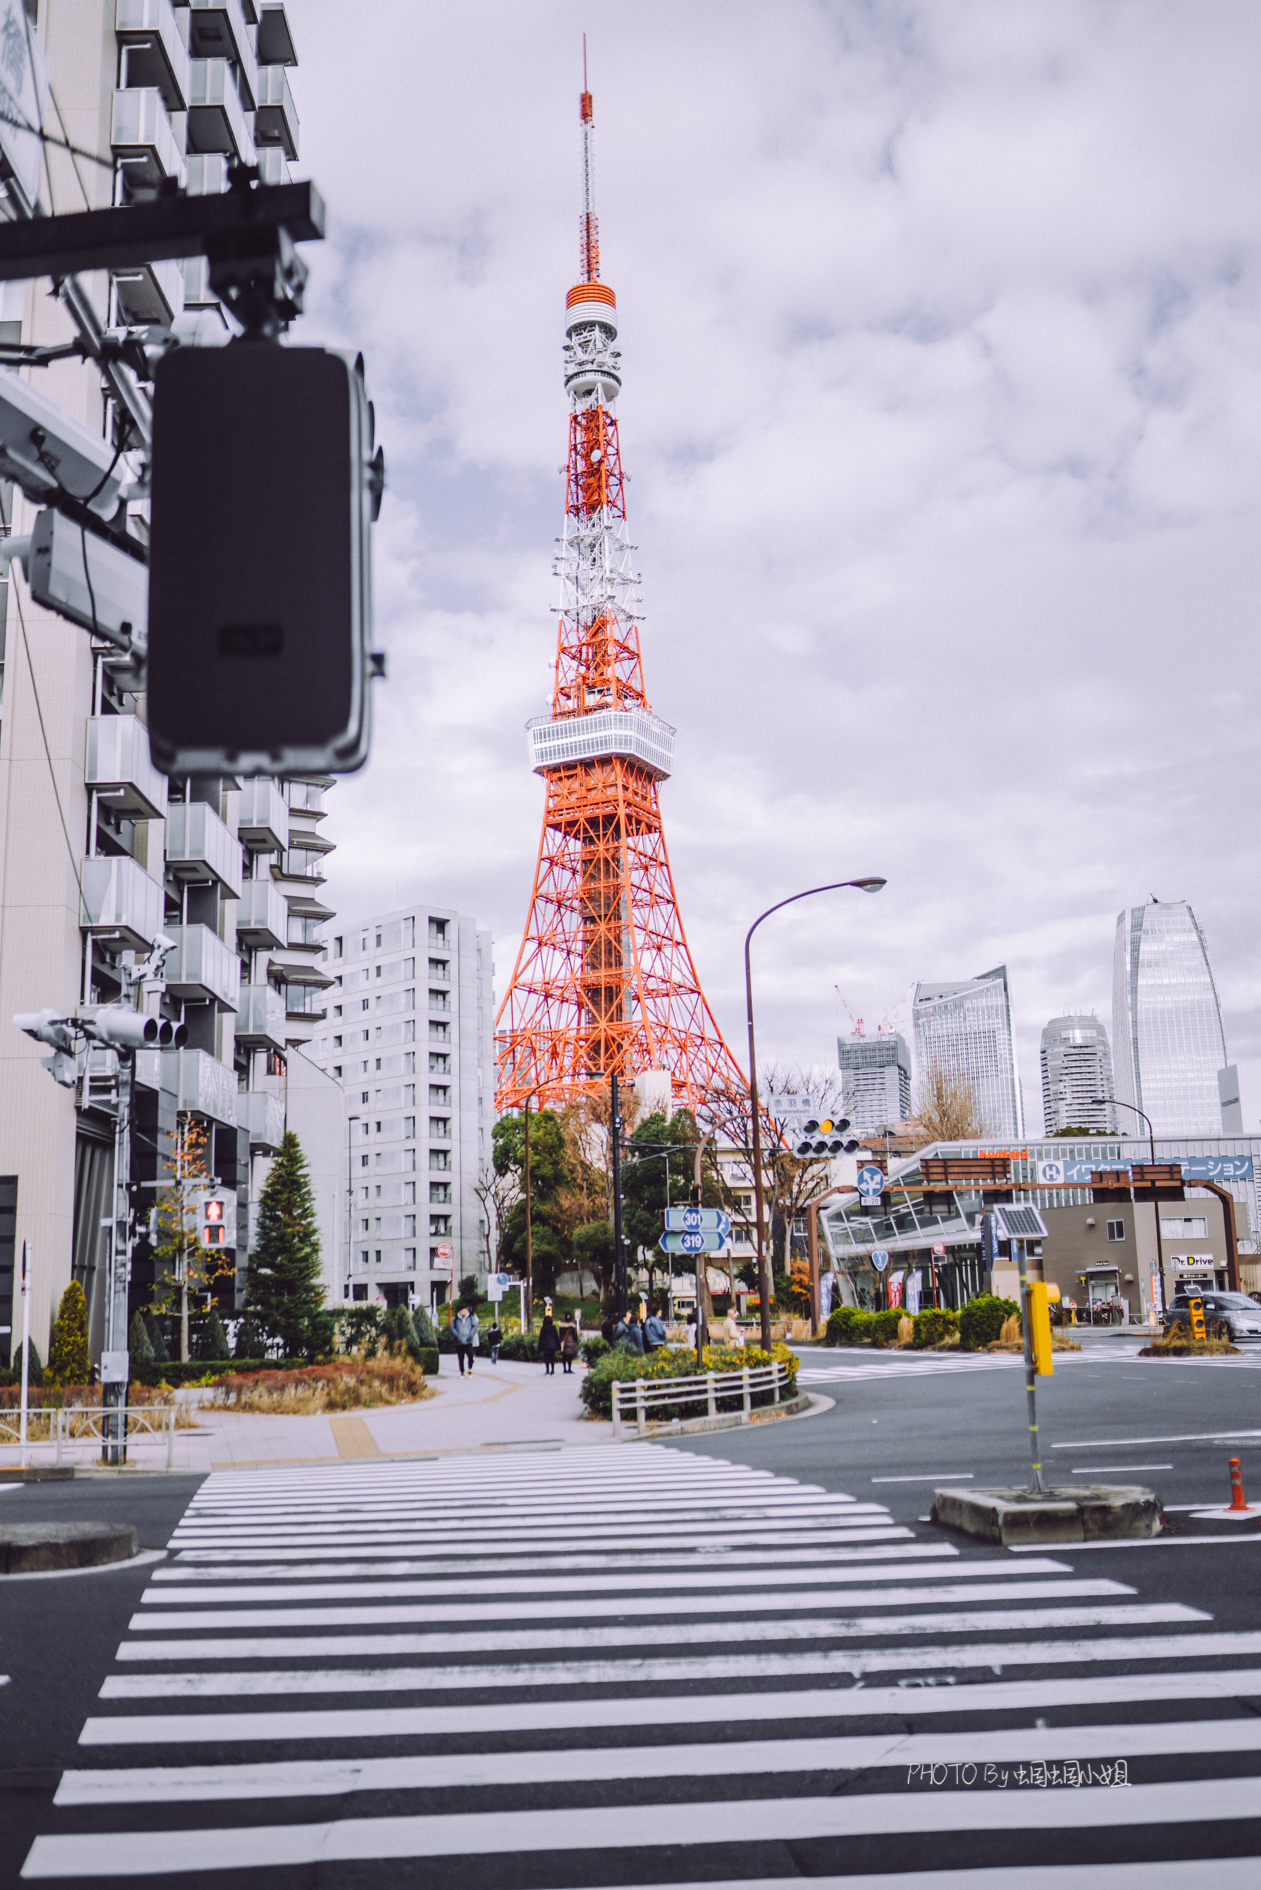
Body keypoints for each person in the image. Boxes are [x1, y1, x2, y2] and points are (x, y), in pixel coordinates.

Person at [451, 1303, 479, 1377]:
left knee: (470, 1355)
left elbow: (475, 1326)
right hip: (459, 1341)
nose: (463, 1313)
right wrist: (456, 1335)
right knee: (461, 1357)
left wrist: (471, 1335)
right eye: (462, 1311)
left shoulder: (470, 1317)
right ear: (460, 1311)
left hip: (468, 1340)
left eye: (465, 1311)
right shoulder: (456, 1318)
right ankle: (462, 1372)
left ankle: (470, 1368)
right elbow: (452, 1327)